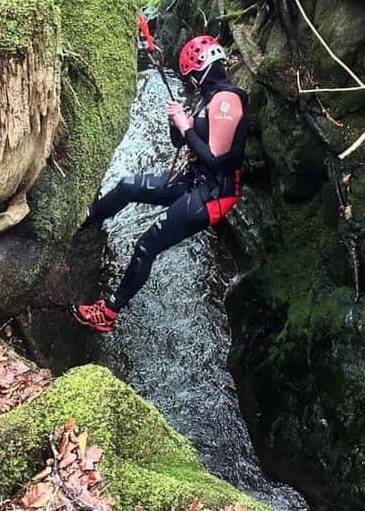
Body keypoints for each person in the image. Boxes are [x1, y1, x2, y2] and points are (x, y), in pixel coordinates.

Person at [70, 35, 249, 332]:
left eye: (191, 75)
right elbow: (180, 141)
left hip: (212, 195)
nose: (190, 81)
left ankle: (109, 314)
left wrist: (184, 124)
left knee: (145, 246)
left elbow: (216, 159)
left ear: (200, 71)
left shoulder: (226, 100)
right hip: (193, 183)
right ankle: (87, 221)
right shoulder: (207, 98)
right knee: (128, 185)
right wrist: (176, 122)